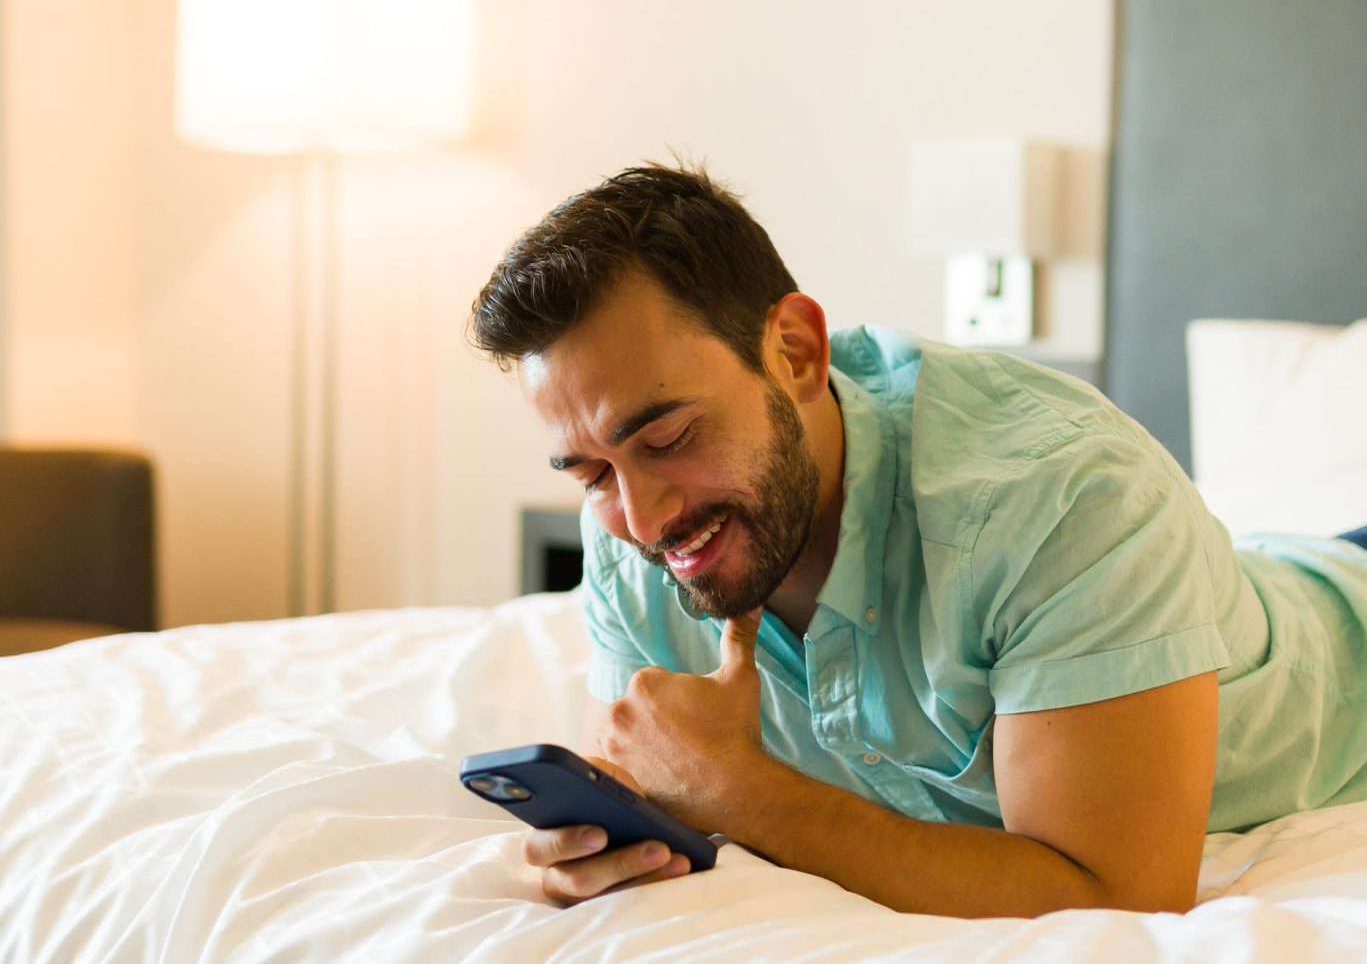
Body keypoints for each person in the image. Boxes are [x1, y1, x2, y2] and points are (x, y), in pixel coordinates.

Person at [469, 163, 1367, 918]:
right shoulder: (628, 533)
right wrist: (590, 847)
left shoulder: (1059, 497)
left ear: (794, 351)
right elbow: (651, 779)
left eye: (667, 439)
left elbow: (1118, 896)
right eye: (590, 472)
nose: (645, 514)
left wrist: (748, 795)